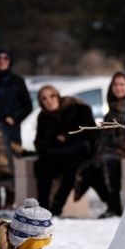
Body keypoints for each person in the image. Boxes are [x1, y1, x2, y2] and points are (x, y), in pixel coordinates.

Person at [74, 72, 125, 218]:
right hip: (110, 151)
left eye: (122, 84)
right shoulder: (112, 107)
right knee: (88, 168)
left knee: (108, 162)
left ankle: (115, 207)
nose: (118, 88)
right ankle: (111, 204)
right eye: (115, 84)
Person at [34, 85, 97, 216]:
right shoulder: (43, 116)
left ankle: (57, 207)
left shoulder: (77, 108)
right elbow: (39, 142)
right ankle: (43, 207)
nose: (49, 101)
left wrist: (67, 136)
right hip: (55, 155)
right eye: (44, 99)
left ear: (58, 96)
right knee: (41, 166)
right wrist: (52, 140)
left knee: (72, 168)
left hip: (77, 154)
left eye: (52, 96)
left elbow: (90, 133)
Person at [0, 47, 32, 147]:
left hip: (11, 129)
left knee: (12, 156)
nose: (2, 61)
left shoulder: (17, 81)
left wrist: (15, 118)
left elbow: (27, 106)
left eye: (5, 58)